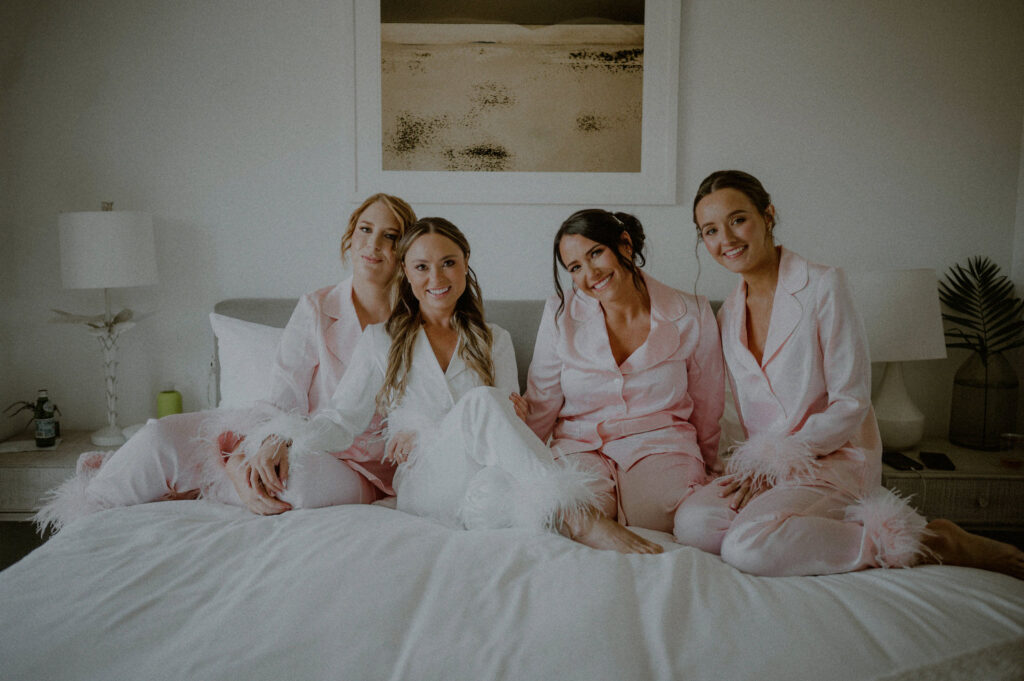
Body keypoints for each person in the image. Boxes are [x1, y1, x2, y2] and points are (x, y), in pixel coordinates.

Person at [674, 169, 1024, 579]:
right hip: (765, 467)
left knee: (747, 545)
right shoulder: (728, 313)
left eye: (737, 220)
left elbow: (851, 401)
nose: (726, 240)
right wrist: (741, 468)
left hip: (832, 458)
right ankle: (796, 524)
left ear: (768, 215)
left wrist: (775, 462)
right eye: (710, 230)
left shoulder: (824, 285)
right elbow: (734, 411)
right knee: (693, 524)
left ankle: (930, 541)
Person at [248, 217, 662, 553]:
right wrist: (287, 437)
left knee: (495, 491)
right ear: (406, 274)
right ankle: (579, 516)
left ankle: (527, 531)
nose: (437, 277)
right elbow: (341, 419)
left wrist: (501, 412)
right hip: (427, 482)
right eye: (422, 266)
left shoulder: (493, 339)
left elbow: (509, 421)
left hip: (482, 479)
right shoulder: (381, 339)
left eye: (448, 262)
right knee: (483, 401)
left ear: (465, 263)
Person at [35, 193, 417, 532]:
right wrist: (268, 442)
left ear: (405, 252)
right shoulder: (317, 306)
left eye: (390, 235)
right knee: (158, 437)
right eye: (365, 229)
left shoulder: (416, 323)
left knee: (291, 482)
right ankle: (99, 501)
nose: (374, 244)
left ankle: (213, 482)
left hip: (356, 465)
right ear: (350, 238)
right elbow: (285, 392)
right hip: (287, 432)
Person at [519, 209, 724, 537]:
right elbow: (542, 401)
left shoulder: (693, 312)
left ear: (625, 244)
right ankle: (600, 532)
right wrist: (517, 461)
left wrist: (710, 469)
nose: (590, 273)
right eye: (575, 267)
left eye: (595, 253)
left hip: (661, 444)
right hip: (579, 444)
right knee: (568, 512)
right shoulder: (559, 312)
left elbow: (708, 405)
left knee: (660, 514)